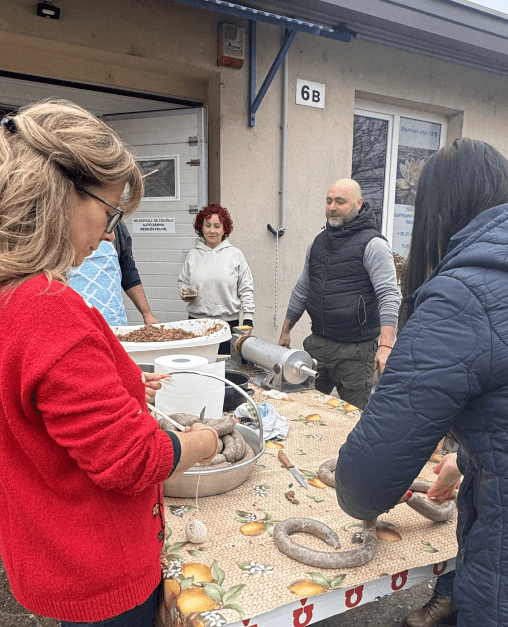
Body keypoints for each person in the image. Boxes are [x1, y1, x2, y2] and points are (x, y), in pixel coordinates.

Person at [0, 100, 219, 626]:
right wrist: (204, 443)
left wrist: (120, 385)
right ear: (60, 195)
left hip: (51, 549)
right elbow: (133, 460)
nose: (108, 234)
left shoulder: (11, 295)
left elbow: (38, 406)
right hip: (100, 568)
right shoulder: (49, 310)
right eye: (110, 212)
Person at [335, 138, 508, 627]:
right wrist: (469, 457)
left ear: (438, 210)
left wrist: (360, 492)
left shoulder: (463, 294)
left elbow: (367, 480)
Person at [278, 178, 399, 409]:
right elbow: (302, 288)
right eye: (329, 201)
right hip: (317, 344)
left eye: (340, 202)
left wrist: (386, 346)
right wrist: (286, 330)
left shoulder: (374, 244)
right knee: (303, 408)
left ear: (359, 204)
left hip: (356, 353)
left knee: (353, 416)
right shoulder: (318, 244)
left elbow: (389, 295)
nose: (332, 207)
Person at [178, 203, 255, 354]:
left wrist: (248, 318)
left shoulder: (235, 255)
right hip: (196, 324)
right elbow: (183, 283)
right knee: (199, 363)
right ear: (201, 228)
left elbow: (246, 288)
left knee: (225, 364)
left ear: (224, 229)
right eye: (208, 225)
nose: (212, 230)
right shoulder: (193, 255)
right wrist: (184, 292)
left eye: (217, 226)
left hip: (227, 325)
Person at [68, 220, 158, 326]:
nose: (111, 236)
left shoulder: (118, 226)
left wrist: (147, 314)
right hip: (75, 321)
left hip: (113, 321)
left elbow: (128, 272)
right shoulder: (63, 222)